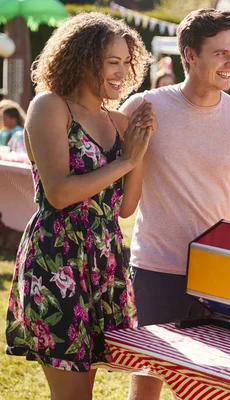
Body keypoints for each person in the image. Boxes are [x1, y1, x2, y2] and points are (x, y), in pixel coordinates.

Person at [119, 9, 230, 400]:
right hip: (156, 265)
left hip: (219, 273)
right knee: (149, 374)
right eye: (220, 53)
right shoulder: (143, 107)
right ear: (189, 55)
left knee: (217, 380)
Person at [4, 12, 154, 399]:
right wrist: (124, 161)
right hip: (58, 258)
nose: (123, 72)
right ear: (84, 59)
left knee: (84, 389)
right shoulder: (50, 107)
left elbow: (125, 208)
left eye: (127, 61)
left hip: (104, 260)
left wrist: (140, 148)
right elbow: (58, 193)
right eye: (112, 62)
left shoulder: (119, 121)